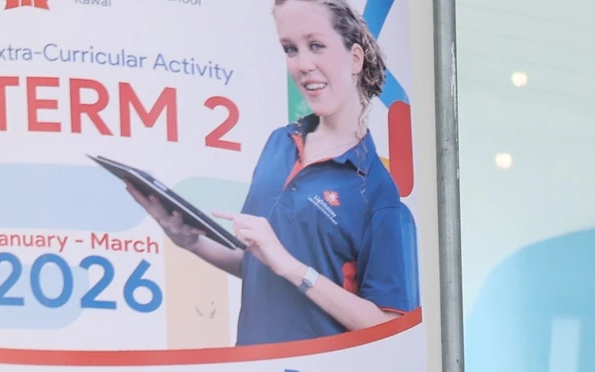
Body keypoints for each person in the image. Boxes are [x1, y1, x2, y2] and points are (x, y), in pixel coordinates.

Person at [122, 0, 418, 344]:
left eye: (316, 45)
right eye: (290, 49)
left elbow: (387, 326)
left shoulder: (376, 190)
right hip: (252, 368)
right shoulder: (280, 143)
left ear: (355, 58)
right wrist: (192, 242)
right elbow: (259, 265)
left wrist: (292, 267)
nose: (302, 65)